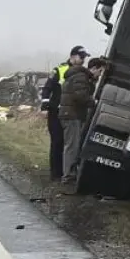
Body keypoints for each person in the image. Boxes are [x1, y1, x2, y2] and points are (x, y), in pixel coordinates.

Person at [42, 46, 89, 182]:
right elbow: (47, 88)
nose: (83, 60)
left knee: (67, 143)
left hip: (69, 113)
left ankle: (65, 171)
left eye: (84, 58)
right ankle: (55, 173)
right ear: (73, 56)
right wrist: (46, 103)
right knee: (57, 141)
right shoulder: (60, 70)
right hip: (55, 111)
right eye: (81, 57)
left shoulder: (81, 73)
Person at [58, 56, 106, 183]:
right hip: (72, 115)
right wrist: (94, 102)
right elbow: (80, 96)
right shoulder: (81, 77)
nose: (100, 75)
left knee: (72, 144)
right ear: (94, 68)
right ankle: (68, 175)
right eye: (100, 71)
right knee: (72, 146)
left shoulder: (81, 77)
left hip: (70, 113)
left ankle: (69, 173)